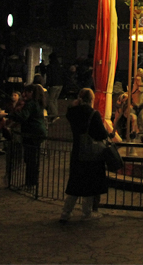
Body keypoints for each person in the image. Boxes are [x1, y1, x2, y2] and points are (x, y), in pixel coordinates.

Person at [60, 88, 112, 222]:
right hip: (91, 154)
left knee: (75, 184)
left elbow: (69, 111)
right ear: (91, 99)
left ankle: (66, 212)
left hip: (77, 150)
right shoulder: (93, 114)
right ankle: (87, 212)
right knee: (89, 184)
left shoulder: (73, 113)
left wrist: (75, 104)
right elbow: (101, 134)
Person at [9, 84, 47, 187]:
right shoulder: (39, 103)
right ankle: (32, 181)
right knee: (33, 158)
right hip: (38, 132)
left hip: (32, 133)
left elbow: (23, 116)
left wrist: (10, 114)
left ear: (32, 93)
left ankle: (30, 182)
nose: (25, 94)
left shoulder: (31, 103)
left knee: (30, 158)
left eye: (28, 92)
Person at [45, 53, 64, 123]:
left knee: (50, 100)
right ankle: (55, 114)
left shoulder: (50, 66)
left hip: (53, 84)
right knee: (55, 100)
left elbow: (49, 76)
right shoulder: (59, 66)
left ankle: (55, 115)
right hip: (60, 84)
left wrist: (47, 84)